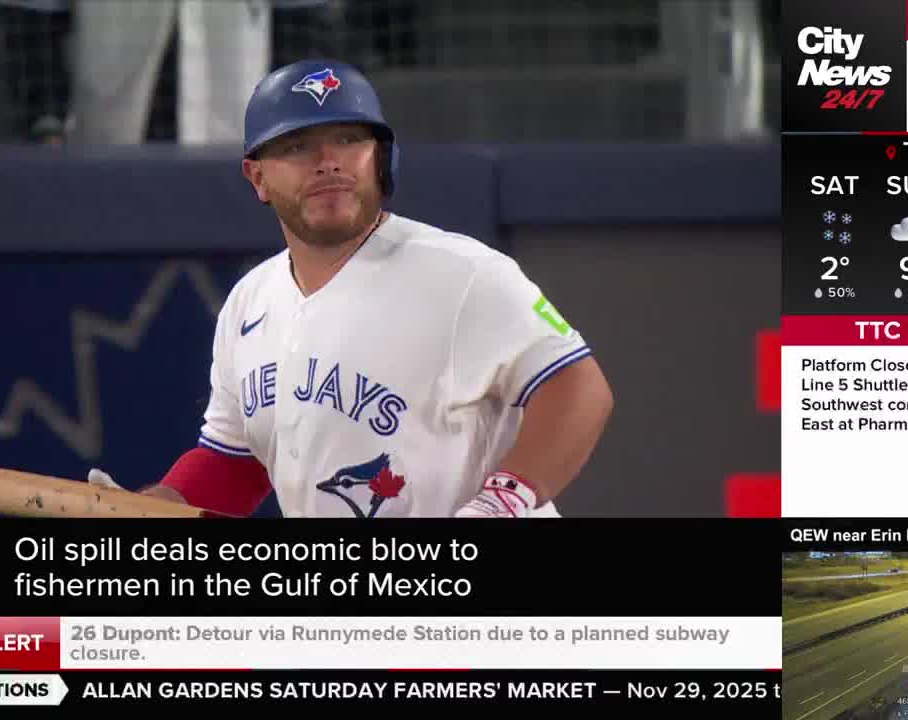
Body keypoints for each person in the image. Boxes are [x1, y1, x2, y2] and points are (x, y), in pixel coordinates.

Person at [90, 59, 613, 518]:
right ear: (257, 177)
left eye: (348, 139)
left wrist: (500, 504)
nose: (328, 160)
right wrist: (161, 507)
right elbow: (238, 460)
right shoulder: (250, 301)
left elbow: (579, 389)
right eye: (297, 146)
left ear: (380, 159)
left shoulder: (460, 273)